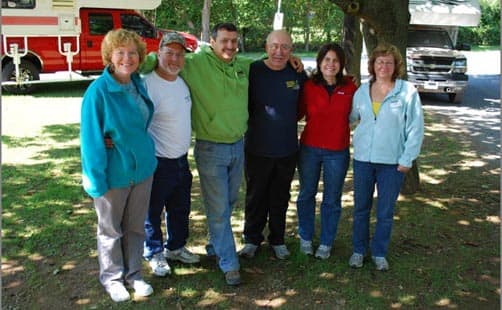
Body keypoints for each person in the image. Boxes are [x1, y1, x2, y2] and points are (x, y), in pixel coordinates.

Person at [141, 23, 302, 286]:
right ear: (212, 42)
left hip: (239, 145)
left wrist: (290, 59)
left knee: (228, 203)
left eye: (233, 41)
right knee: (217, 210)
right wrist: (145, 60)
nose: (229, 46)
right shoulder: (193, 64)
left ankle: (216, 244)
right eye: (224, 41)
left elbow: (269, 59)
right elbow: (163, 58)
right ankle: (229, 263)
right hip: (210, 147)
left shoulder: (243, 64)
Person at [80, 29, 157, 302]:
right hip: (113, 175)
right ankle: (112, 278)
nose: (127, 58)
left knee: (136, 227)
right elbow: (90, 140)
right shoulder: (98, 92)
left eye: (133, 52)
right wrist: (96, 181)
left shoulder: (138, 83)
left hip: (143, 170)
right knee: (110, 230)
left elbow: (140, 125)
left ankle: (134, 274)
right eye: (120, 52)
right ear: (110, 57)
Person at [348, 43, 424, 271]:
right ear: (372, 65)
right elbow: (351, 117)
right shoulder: (361, 90)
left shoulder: (407, 91)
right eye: (379, 61)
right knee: (360, 208)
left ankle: (379, 252)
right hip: (363, 160)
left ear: (396, 66)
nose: (384, 66)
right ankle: (359, 250)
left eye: (388, 62)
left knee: (385, 212)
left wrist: (407, 159)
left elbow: (416, 128)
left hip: (392, 163)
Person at [238, 30, 307, 260]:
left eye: (285, 47)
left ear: (291, 49)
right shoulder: (253, 70)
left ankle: (277, 239)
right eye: (274, 46)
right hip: (257, 147)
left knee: (280, 196)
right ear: (266, 47)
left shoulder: (297, 73)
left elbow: (315, 92)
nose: (279, 52)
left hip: (287, 149)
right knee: (256, 196)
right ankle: (252, 239)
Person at [142, 32, 200, 278]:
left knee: (180, 208)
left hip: (181, 160)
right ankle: (154, 252)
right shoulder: (147, 83)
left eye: (179, 54)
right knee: (152, 211)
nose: (174, 59)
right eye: (169, 53)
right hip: (157, 162)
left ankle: (175, 247)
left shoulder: (182, 82)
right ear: (159, 53)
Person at [296, 43, 358, 260]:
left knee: (332, 199)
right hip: (309, 149)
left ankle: (326, 242)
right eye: (327, 60)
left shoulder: (351, 87)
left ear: (341, 64)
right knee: (306, 194)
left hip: (337, 152)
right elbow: (297, 113)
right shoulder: (309, 86)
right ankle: (305, 237)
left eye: (335, 60)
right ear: (320, 62)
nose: (330, 64)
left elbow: (360, 112)